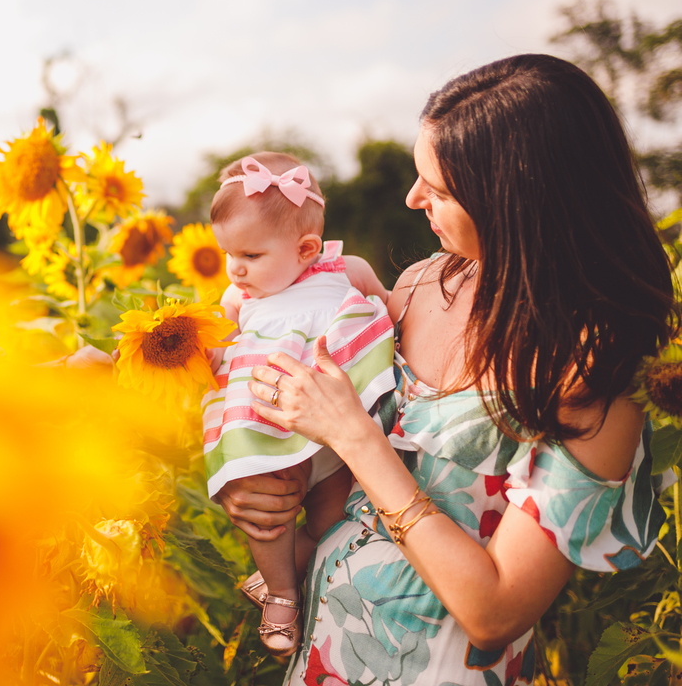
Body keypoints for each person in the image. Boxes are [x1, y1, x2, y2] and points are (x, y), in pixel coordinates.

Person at [215, 53, 678, 684]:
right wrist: (262, 491)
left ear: (515, 201)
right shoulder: (418, 287)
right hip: (324, 655)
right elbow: (328, 449)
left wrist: (354, 436)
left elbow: (495, 612)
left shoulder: (589, 376)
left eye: (438, 190)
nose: (413, 199)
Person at [203, 151, 396, 657]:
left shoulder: (347, 271)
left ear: (307, 249)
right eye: (228, 253)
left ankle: (287, 568)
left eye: (251, 255)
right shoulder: (238, 298)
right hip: (269, 422)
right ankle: (283, 595)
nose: (235, 268)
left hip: (337, 426)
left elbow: (396, 313)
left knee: (334, 521)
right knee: (269, 514)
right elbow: (214, 348)